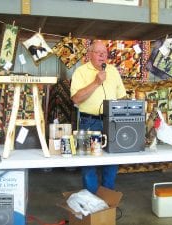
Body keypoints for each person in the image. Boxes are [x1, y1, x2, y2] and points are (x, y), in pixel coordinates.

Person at [70, 40, 126, 193]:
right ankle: (91, 198)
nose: (102, 55)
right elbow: (76, 99)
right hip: (89, 122)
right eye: (98, 52)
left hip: (112, 122)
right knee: (88, 164)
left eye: (105, 53)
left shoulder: (113, 71)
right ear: (89, 54)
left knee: (112, 162)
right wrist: (96, 82)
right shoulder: (80, 72)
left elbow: (121, 97)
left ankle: (107, 197)